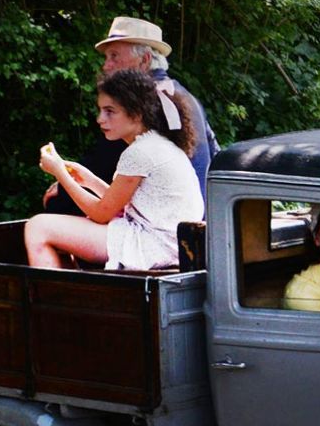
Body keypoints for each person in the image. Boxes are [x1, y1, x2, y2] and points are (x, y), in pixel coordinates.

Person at [23, 69, 203, 270]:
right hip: (167, 243)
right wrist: (88, 179)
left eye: (110, 111)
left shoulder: (140, 152)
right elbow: (117, 204)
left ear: (136, 114)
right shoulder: (154, 144)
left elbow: (103, 213)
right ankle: (66, 294)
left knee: (38, 227)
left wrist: (60, 173)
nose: (100, 119)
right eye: (100, 110)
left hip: (153, 245)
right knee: (60, 229)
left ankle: (53, 298)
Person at [43, 16, 219, 216]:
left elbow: (104, 161)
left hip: (170, 225)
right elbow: (215, 155)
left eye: (114, 56)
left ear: (144, 60)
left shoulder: (140, 105)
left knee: (56, 208)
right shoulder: (185, 96)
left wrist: (65, 185)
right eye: (107, 57)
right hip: (204, 217)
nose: (106, 65)